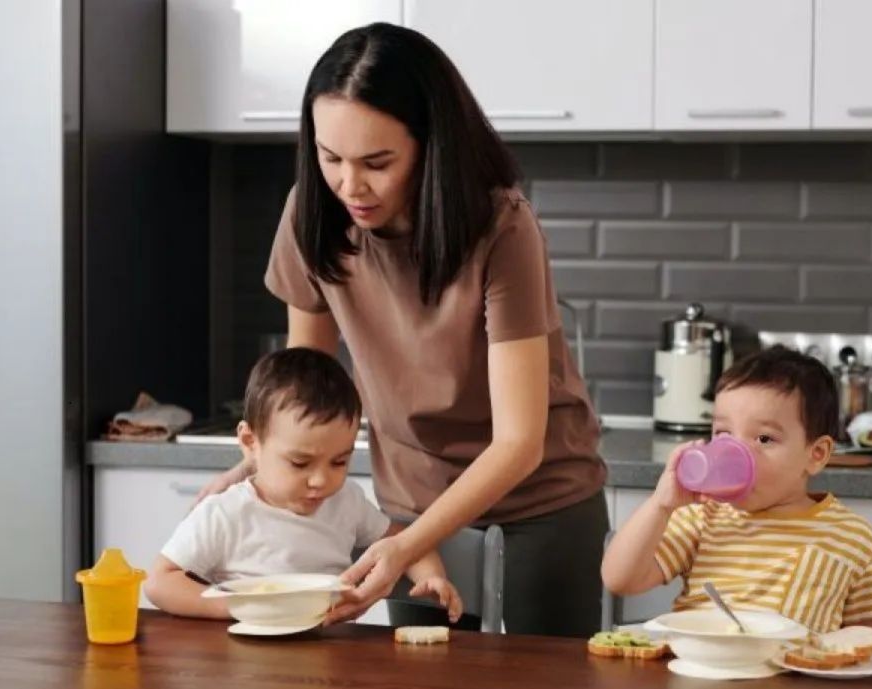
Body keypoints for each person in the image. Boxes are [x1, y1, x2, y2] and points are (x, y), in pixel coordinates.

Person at [197, 23, 609, 636]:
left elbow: (520, 442)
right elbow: (305, 393)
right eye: (330, 157)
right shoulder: (313, 214)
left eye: (377, 163)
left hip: (541, 504)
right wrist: (256, 470)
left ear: (430, 146)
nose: (349, 186)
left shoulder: (502, 227)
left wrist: (403, 545)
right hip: (409, 507)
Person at [602, 346, 872, 637]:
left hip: (797, 685)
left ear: (817, 454)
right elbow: (620, 579)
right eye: (723, 433)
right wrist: (660, 505)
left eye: (764, 438)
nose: (736, 452)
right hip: (700, 677)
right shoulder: (702, 518)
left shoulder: (853, 538)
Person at [147, 348, 461, 623]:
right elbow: (160, 582)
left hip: (328, 656)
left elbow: (402, 540)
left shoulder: (346, 502)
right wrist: (233, 607)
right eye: (300, 463)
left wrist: (433, 577)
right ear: (249, 443)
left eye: (339, 462)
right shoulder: (225, 513)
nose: (321, 481)